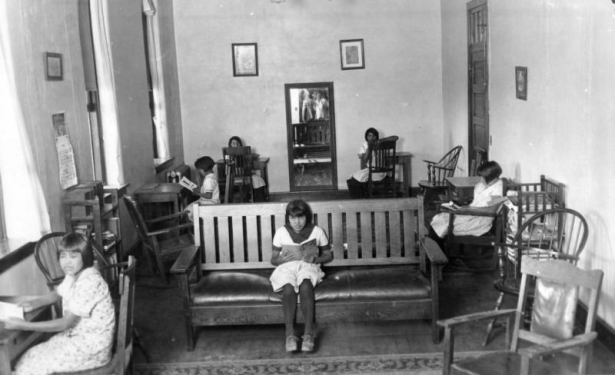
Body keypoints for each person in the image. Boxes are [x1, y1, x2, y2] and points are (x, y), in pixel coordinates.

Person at [0, 233, 115, 375]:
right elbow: (58, 293)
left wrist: (24, 325)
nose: (67, 262)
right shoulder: (74, 274)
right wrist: (35, 303)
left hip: (92, 350)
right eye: (62, 256)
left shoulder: (89, 282)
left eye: (73, 257)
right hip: (79, 338)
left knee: (29, 365)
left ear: (85, 257)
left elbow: (64, 324)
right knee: (30, 355)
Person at [269, 200, 333, 353]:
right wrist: (280, 260)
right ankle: (289, 334)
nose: (296, 222)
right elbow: (273, 259)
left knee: (305, 283)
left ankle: (309, 333)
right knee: (288, 286)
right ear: (288, 218)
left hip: (308, 265)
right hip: (287, 267)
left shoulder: (317, 231)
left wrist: (315, 259)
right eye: (292, 218)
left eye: (300, 218)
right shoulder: (281, 232)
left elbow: (328, 256)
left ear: (307, 217)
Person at [429, 160, 504, 242]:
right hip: (472, 215)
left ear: (489, 176)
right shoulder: (485, 185)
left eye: (482, 176)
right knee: (439, 218)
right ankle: (432, 245)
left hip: (480, 220)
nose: (480, 178)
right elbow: (476, 203)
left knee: (444, 224)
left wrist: (468, 209)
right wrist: (462, 207)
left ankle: (434, 247)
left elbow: (491, 210)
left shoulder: (498, 189)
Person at [225, 136, 267, 202]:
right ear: (230, 144)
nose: (235, 145)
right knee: (257, 179)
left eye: (237, 143)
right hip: (238, 178)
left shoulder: (243, 155)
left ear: (240, 144)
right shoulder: (228, 156)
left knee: (258, 179)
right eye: (233, 143)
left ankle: (259, 200)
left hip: (241, 177)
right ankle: (260, 201)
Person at [346, 127, 384, 198]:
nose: (371, 137)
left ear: (376, 137)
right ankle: (361, 198)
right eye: (369, 136)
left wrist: (371, 146)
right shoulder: (366, 145)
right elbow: (364, 160)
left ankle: (361, 199)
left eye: (373, 136)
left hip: (376, 172)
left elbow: (365, 160)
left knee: (354, 180)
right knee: (353, 179)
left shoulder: (380, 144)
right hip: (373, 170)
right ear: (366, 137)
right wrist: (369, 147)